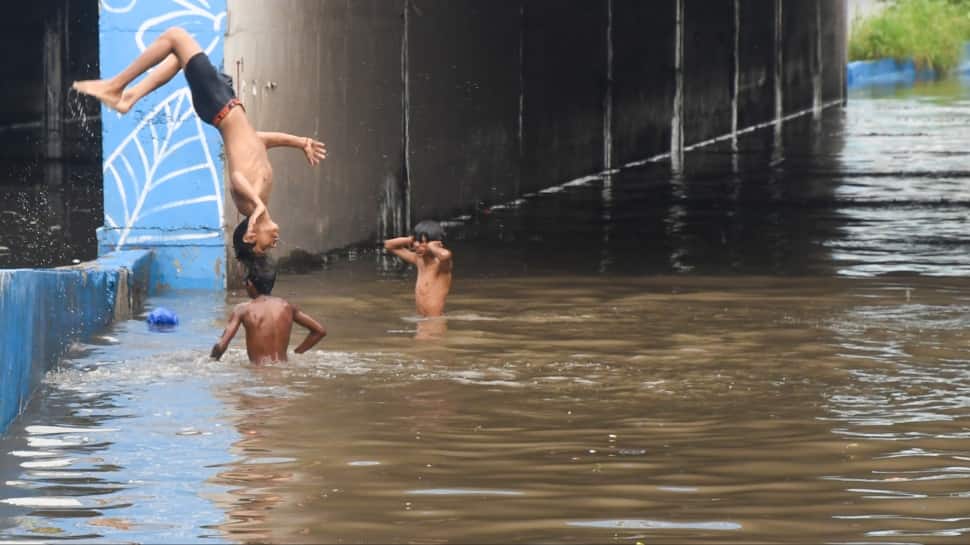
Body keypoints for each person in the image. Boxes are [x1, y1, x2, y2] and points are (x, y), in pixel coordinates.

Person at [71, 26, 327, 260]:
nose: (274, 243)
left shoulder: (248, 203)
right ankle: (128, 97)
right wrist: (300, 142)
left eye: (264, 247)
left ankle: (116, 87)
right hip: (226, 101)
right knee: (179, 57)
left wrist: (257, 205)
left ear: (250, 236)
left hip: (218, 105)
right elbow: (258, 141)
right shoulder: (262, 198)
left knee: (176, 36)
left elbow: (237, 176)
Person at [210, 257, 326, 364]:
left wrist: (209, 362)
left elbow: (221, 345)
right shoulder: (287, 306)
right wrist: (297, 353)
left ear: (249, 284)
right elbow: (319, 331)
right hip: (282, 372)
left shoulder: (242, 309)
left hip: (259, 375)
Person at [384, 220, 453, 317]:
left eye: (422, 242)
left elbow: (445, 255)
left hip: (434, 321)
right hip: (421, 319)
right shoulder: (419, 260)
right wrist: (410, 239)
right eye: (416, 241)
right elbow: (388, 245)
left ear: (436, 244)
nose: (417, 245)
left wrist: (431, 246)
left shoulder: (441, 267)